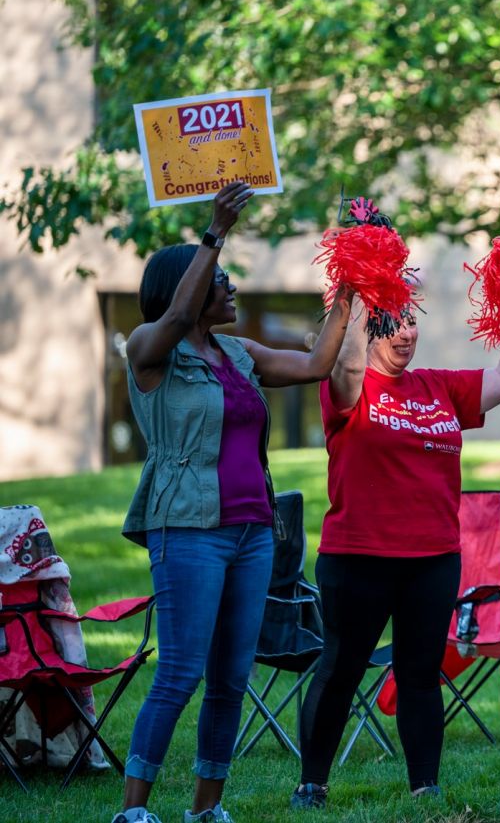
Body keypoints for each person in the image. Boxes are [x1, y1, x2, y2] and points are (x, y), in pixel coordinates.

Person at [114, 181, 355, 823]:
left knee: (230, 678)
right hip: (189, 530)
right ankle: (134, 811)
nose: (231, 289)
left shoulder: (239, 356)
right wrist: (214, 233)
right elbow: (169, 322)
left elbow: (316, 365)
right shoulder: (149, 352)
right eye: (221, 280)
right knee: (181, 671)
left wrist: (350, 284)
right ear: (186, 289)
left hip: (252, 532)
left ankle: (206, 808)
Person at [291, 213, 500, 810]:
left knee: (421, 672)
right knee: (341, 669)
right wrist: (357, 295)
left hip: (432, 557)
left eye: (410, 322)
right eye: (391, 324)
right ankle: (313, 783)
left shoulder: (437, 386)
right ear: (366, 329)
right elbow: (349, 364)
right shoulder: (346, 388)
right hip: (358, 555)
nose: (405, 333)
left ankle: (425, 787)